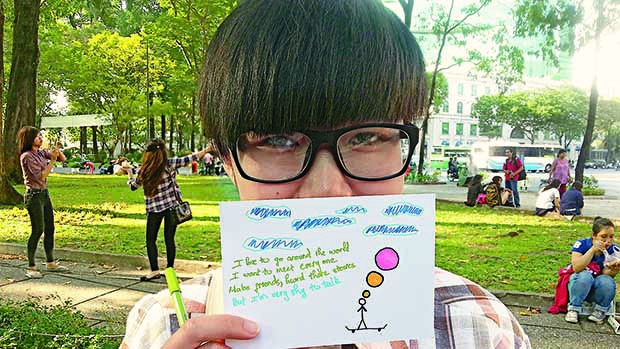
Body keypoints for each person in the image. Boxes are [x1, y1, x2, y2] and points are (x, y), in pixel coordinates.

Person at [121, 1, 530, 348]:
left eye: (368, 136)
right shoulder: (162, 327)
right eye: (279, 140)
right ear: (227, 159)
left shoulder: (476, 326)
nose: (328, 192)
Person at [127, 139, 208, 281]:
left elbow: (133, 186)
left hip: (154, 209)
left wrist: (128, 172)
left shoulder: (144, 170)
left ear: (148, 154)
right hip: (172, 207)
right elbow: (191, 158)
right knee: (169, 239)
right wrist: (206, 150)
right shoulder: (170, 164)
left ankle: (154, 270)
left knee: (150, 239)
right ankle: (170, 269)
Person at [18, 126, 68, 278]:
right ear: (29, 139)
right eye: (37, 136)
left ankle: (50, 262)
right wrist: (52, 160)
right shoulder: (26, 156)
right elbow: (42, 176)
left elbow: (62, 159)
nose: (41, 138)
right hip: (33, 196)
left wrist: (57, 151)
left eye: (41, 136)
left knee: (50, 227)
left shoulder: (40, 153)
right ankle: (31, 267)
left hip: (44, 194)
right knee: (38, 230)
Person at [565, 217, 618, 324]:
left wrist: (614, 269)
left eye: (611, 237)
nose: (608, 241)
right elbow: (577, 267)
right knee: (584, 276)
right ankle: (574, 308)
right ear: (594, 236)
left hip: (596, 287)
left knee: (607, 281)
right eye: (603, 237)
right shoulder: (582, 244)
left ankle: (600, 310)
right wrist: (592, 250)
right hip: (579, 284)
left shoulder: (613, 251)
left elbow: (605, 276)